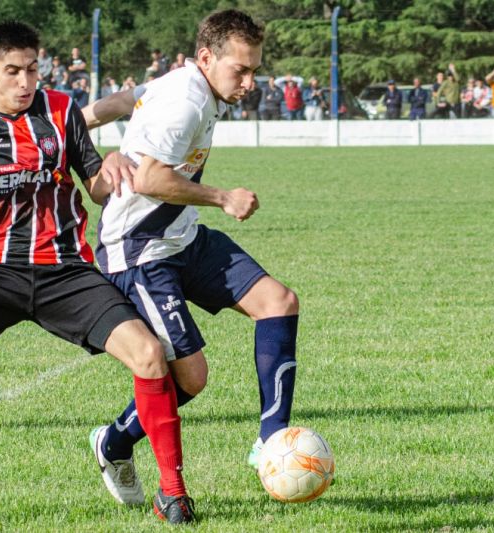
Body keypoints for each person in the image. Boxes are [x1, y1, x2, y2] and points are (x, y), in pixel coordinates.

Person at [0, 21, 194, 526]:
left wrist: (114, 169)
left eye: (33, 68)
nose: (27, 81)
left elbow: (94, 184)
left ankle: (174, 493)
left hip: (65, 271)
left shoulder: (61, 109)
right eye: (14, 71)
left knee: (149, 354)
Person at [80, 8, 302, 507]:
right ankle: (112, 442)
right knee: (191, 379)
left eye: (254, 70)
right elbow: (149, 179)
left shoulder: (184, 82)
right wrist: (224, 197)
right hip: (140, 252)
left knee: (279, 302)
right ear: (206, 58)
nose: (249, 82)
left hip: (183, 238)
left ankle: (272, 441)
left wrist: (78, 122)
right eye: (239, 70)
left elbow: (125, 98)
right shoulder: (185, 100)